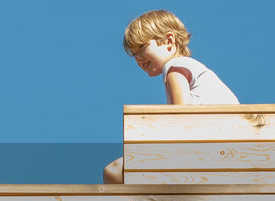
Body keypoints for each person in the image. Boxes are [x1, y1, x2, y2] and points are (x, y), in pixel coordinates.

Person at [103, 10, 240, 183]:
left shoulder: (175, 67)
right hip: (226, 144)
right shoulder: (196, 70)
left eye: (142, 47)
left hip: (205, 144)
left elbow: (180, 117)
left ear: (169, 41)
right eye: (134, 54)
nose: (138, 58)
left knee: (113, 172)